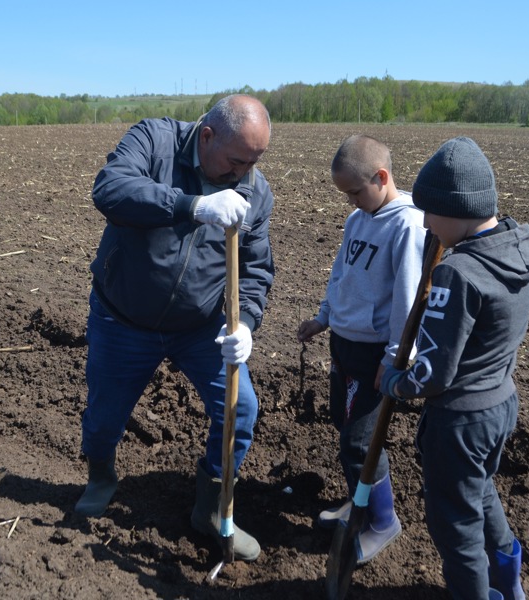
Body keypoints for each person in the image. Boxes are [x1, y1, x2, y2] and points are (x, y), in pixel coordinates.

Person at [75, 94, 275, 562]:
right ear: (207, 136)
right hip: (124, 317)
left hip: (201, 326)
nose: (243, 175)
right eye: (235, 161)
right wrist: (193, 205)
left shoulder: (253, 190)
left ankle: (211, 509)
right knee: (105, 415)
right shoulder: (154, 139)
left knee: (240, 409)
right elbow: (111, 189)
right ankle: (101, 477)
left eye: (253, 163)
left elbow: (257, 269)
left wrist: (245, 323)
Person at [381, 136, 529, 600]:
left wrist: (394, 381)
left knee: (455, 527)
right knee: (480, 491)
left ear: (457, 209)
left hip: (461, 420)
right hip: (500, 403)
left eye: (430, 212)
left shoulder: (458, 273)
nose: (426, 224)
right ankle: (510, 587)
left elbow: (433, 373)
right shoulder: (517, 248)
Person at [297, 134, 427, 563]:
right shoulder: (358, 220)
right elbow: (342, 274)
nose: (351, 202)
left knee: (359, 443)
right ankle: (361, 499)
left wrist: (394, 359)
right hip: (344, 344)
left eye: (355, 191)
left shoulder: (407, 225)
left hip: (375, 355)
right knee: (344, 424)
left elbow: (408, 299)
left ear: (382, 177)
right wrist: (324, 317)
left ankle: (383, 520)